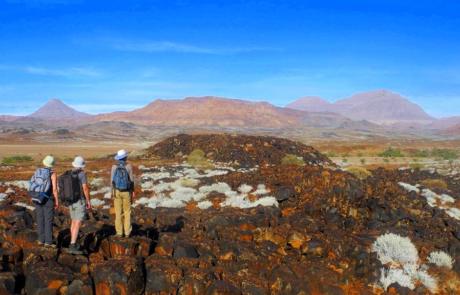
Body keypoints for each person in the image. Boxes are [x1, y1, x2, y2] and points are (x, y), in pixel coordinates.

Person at [31, 155, 59, 247]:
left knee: (40, 219)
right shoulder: (52, 173)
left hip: (38, 197)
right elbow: (54, 189)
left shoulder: (38, 171)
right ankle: (48, 242)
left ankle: (40, 240)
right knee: (48, 220)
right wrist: (57, 201)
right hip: (48, 199)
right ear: (52, 164)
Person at [66, 156, 91, 254]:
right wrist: (88, 201)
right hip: (79, 201)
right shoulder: (81, 174)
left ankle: (72, 242)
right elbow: (85, 188)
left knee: (73, 222)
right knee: (77, 223)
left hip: (71, 202)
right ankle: (72, 245)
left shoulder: (69, 173)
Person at [111, 149, 135, 238]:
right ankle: (127, 232)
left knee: (118, 213)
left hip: (117, 191)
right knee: (127, 212)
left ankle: (119, 233)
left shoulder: (114, 166)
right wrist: (133, 191)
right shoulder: (128, 166)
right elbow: (131, 180)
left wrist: (112, 192)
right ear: (125, 157)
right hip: (127, 192)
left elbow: (112, 181)